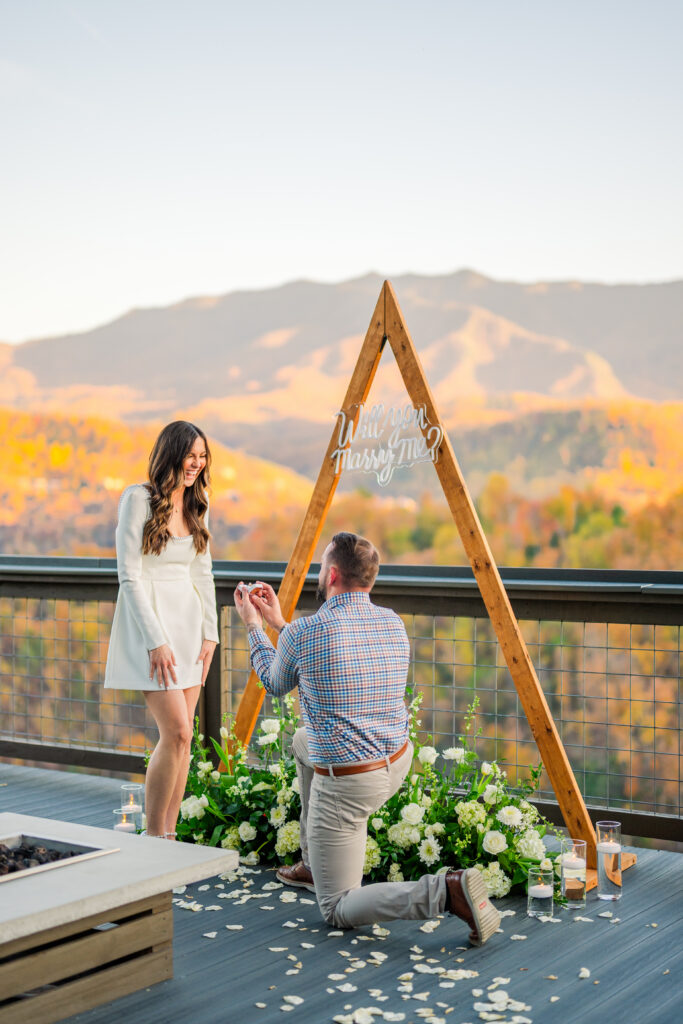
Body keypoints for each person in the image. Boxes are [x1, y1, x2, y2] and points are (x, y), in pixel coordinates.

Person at [233, 531, 500, 945]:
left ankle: (443, 892)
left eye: (322, 567)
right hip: (395, 761)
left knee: (337, 908)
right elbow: (323, 654)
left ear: (333, 573)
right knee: (304, 742)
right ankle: (312, 861)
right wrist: (280, 625)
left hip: (349, 783)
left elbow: (274, 680)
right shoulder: (391, 622)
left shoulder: (305, 633)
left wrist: (254, 626)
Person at [104, 421, 219, 839]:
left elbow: (203, 572)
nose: (196, 463)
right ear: (171, 453)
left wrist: (211, 635)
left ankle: (169, 837)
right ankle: (154, 838)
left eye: (202, 456)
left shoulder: (198, 504)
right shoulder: (137, 499)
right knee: (178, 731)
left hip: (190, 630)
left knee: (183, 741)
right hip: (150, 628)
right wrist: (156, 641)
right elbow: (129, 576)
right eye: (191, 454)